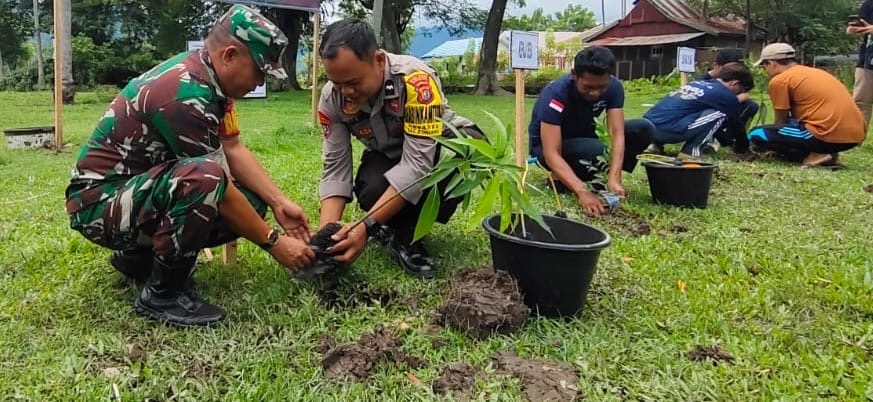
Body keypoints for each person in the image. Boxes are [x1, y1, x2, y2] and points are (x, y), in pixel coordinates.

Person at [64, 5, 315, 328]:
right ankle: (162, 294)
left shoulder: (207, 81)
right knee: (206, 180)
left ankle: (139, 259)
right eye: (259, 71)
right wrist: (275, 244)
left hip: (133, 192)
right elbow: (215, 184)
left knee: (251, 201)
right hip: (98, 205)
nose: (258, 82)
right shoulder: (186, 95)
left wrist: (279, 202)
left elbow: (233, 148)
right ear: (229, 55)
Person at [316, 19, 482, 279]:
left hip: (437, 150)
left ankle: (405, 234)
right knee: (371, 189)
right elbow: (336, 167)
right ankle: (392, 225)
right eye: (336, 83)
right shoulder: (331, 99)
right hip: (389, 155)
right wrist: (326, 236)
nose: (345, 92)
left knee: (469, 159)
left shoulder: (416, 81)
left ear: (379, 61)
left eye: (354, 82)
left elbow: (417, 165)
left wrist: (365, 226)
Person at [528, 46, 652, 217]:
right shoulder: (556, 95)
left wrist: (614, 177)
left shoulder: (614, 88)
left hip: (586, 139)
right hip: (547, 148)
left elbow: (617, 133)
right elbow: (551, 153)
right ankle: (561, 177)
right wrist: (583, 191)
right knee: (596, 150)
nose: (595, 93)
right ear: (574, 75)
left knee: (643, 129)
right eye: (587, 87)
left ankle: (601, 179)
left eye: (601, 87)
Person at [748, 43, 866, 167]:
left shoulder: (780, 80)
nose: (765, 71)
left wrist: (773, 145)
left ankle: (818, 154)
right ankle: (823, 153)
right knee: (791, 127)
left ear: (771, 63)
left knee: (757, 133)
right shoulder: (816, 73)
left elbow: (780, 121)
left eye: (764, 66)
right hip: (855, 135)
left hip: (824, 133)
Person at [641, 63, 755, 160]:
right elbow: (737, 126)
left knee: (680, 109)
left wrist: (726, 141)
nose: (740, 93)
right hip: (669, 131)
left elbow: (712, 126)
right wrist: (743, 148)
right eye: (743, 89)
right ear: (735, 83)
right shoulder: (726, 96)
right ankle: (690, 152)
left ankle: (654, 145)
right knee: (718, 113)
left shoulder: (697, 83)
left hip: (647, 129)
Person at [698, 48, 760, 154]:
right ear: (716, 66)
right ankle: (709, 141)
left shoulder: (731, 82)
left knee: (750, 105)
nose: (734, 72)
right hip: (703, 117)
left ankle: (732, 140)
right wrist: (735, 99)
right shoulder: (702, 82)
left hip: (725, 115)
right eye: (730, 69)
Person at [847, 0, 873, 130]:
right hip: (867, 59)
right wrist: (853, 29)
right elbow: (862, 25)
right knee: (860, 101)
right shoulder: (869, 4)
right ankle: (856, 137)